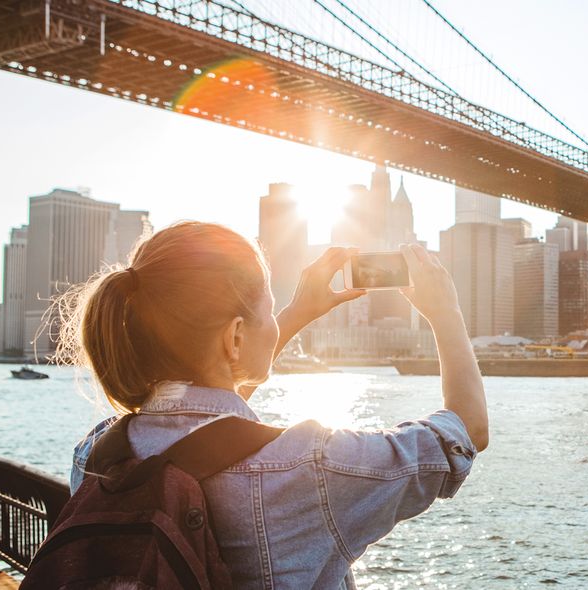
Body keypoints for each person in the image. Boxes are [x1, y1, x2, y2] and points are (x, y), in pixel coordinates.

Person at [58, 221, 488, 589]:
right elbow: (466, 430)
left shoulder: (99, 452)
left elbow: (206, 434)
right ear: (237, 336)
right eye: (270, 309)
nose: (277, 319)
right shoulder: (311, 467)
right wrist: (445, 310)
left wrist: (298, 311)